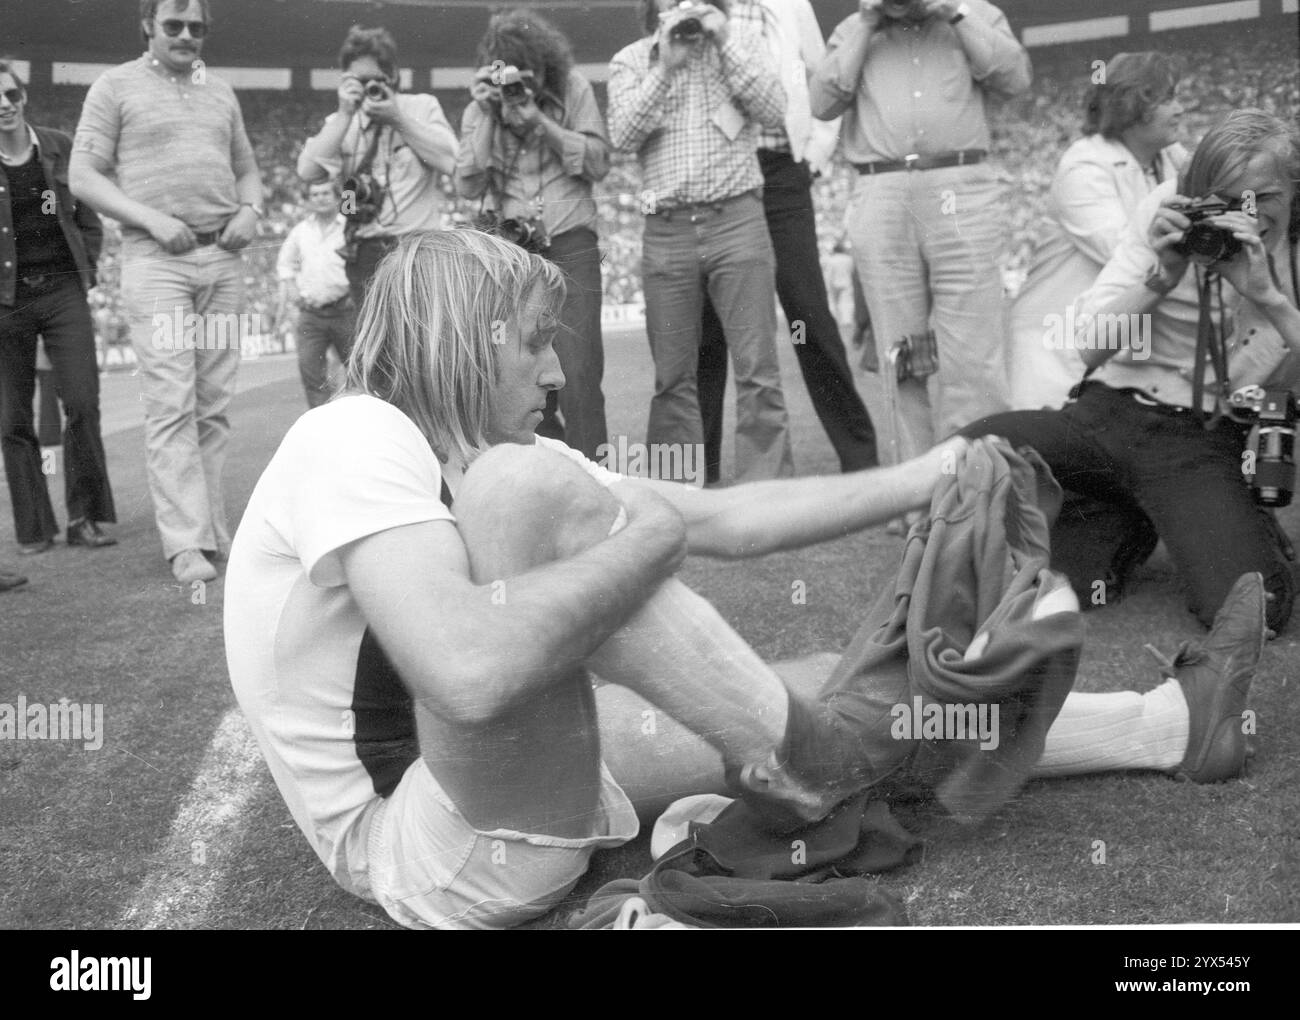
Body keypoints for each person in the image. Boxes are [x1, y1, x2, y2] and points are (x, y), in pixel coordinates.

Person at [225, 230, 1265, 931]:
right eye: (538, 344)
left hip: (479, 790)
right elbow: (466, 672)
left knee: (825, 678)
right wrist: (644, 543)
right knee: (528, 497)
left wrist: (936, 468)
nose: (555, 374)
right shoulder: (354, 435)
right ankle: (810, 759)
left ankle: (1168, 724)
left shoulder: (472, 448)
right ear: (466, 340)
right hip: (425, 846)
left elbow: (726, 517)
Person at [960, 109, 1300, 633]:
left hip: (1200, 436)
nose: (1241, 216)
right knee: (969, 451)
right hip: (1105, 410)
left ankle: (1168, 509)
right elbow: (1091, 349)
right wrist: (1159, 279)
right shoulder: (1169, 206)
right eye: (1223, 201)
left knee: (1252, 613)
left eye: (1259, 199)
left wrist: (1269, 298)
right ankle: (1132, 510)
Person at [69, 0, 263, 585]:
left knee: (213, 405)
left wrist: (252, 209)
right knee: (171, 401)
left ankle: (211, 531)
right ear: (148, 26)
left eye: (197, 27)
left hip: (222, 261)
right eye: (173, 25)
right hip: (160, 264)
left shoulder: (220, 91)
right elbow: (82, 175)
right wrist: (151, 219)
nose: (186, 35)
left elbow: (247, 168)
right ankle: (185, 543)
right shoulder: (115, 85)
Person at [810, 0, 1031, 466]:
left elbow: (1014, 78)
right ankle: (916, 492)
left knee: (973, 354)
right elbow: (822, 102)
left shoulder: (973, 15)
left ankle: (981, 479)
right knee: (900, 354)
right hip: (880, 186)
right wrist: (869, 21)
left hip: (961, 185)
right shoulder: (855, 28)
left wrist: (953, 10)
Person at [608, 0, 794, 483]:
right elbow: (622, 136)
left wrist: (725, 39)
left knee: (758, 369)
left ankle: (767, 495)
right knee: (673, 375)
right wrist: (665, 68)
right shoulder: (631, 59)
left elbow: (775, 111)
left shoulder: (741, 45)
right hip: (666, 228)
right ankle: (677, 492)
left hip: (737, 217)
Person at [695, 0, 878, 483]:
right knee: (708, 323)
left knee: (807, 313)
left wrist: (815, 154)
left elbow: (825, 79)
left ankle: (859, 459)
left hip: (779, 171)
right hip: (716, 170)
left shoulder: (789, 5)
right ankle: (702, 468)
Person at [456, 8, 610, 460]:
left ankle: (596, 484)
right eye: (508, 76)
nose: (517, 87)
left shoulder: (573, 89)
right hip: (513, 252)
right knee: (520, 375)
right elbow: (467, 183)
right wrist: (487, 113)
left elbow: (600, 162)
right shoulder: (479, 108)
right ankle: (551, 472)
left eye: (527, 74)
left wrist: (540, 123)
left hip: (571, 240)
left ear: (545, 66)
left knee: (580, 373)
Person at [1009, 52, 1188, 410]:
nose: (1181, 109)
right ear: (1132, 107)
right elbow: (1131, 251)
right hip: (1059, 339)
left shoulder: (1170, 157)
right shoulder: (1084, 166)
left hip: (1117, 335)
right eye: (1169, 100)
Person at [0, 61, 117, 557]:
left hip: (62, 292)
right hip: (6, 300)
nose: (4, 104)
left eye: (10, 94)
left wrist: (84, 268)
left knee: (83, 403)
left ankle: (85, 516)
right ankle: (33, 528)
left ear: (22, 96)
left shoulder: (58, 146)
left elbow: (88, 216)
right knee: (12, 418)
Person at [297, 25, 458, 306]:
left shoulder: (421, 107)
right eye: (359, 80)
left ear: (393, 75)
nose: (368, 87)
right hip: (367, 252)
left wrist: (398, 119)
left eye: (375, 79)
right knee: (376, 345)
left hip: (418, 247)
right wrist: (346, 113)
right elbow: (308, 172)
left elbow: (451, 161)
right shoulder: (342, 123)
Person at [276, 179, 355, 409]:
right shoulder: (301, 231)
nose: (320, 198)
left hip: (345, 311)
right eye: (315, 194)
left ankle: (361, 426)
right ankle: (323, 429)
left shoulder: (348, 226)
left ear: (337, 196)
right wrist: (292, 289)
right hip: (311, 314)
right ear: (309, 200)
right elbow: (284, 263)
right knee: (311, 374)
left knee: (359, 371)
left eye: (325, 193)